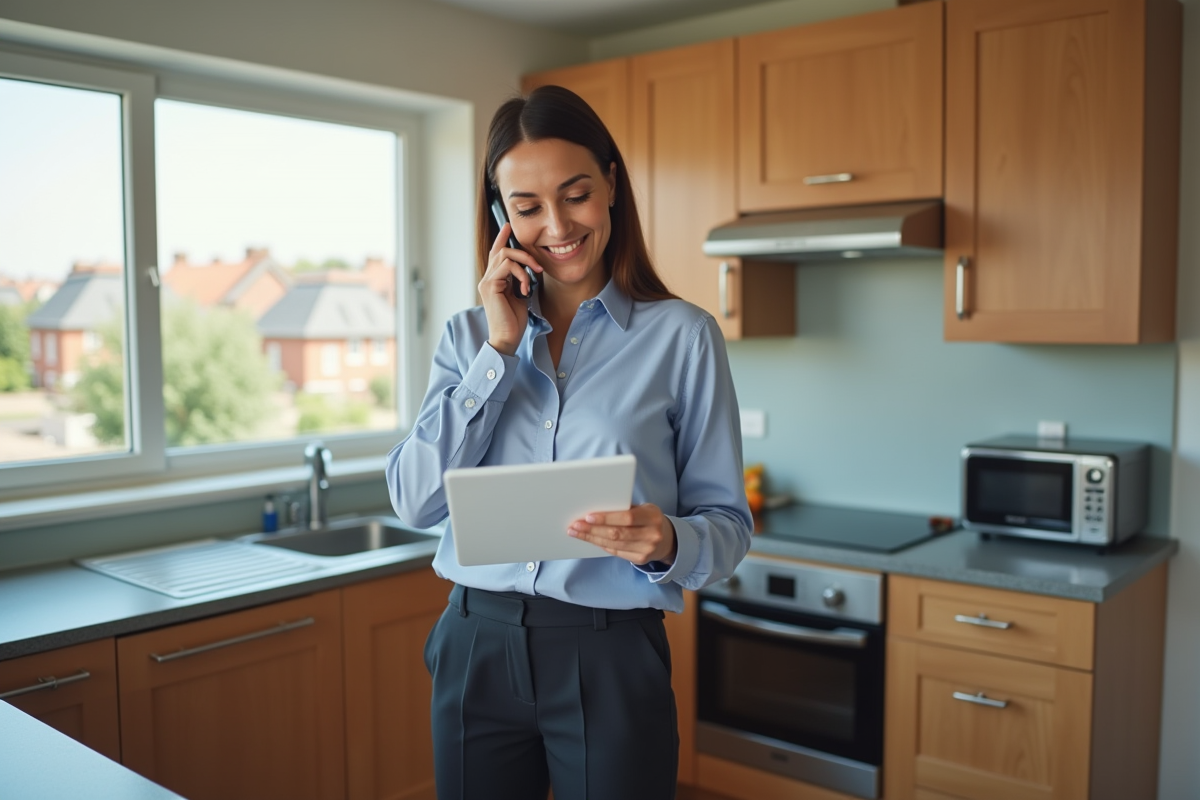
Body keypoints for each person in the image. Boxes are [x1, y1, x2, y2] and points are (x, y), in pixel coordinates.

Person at [385, 85, 752, 800]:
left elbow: (729, 528)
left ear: (612, 184)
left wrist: (670, 541)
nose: (556, 225)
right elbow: (414, 501)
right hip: (475, 642)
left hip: (610, 651)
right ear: (501, 220)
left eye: (576, 194)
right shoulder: (469, 338)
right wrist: (499, 349)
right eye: (526, 208)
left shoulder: (684, 336)